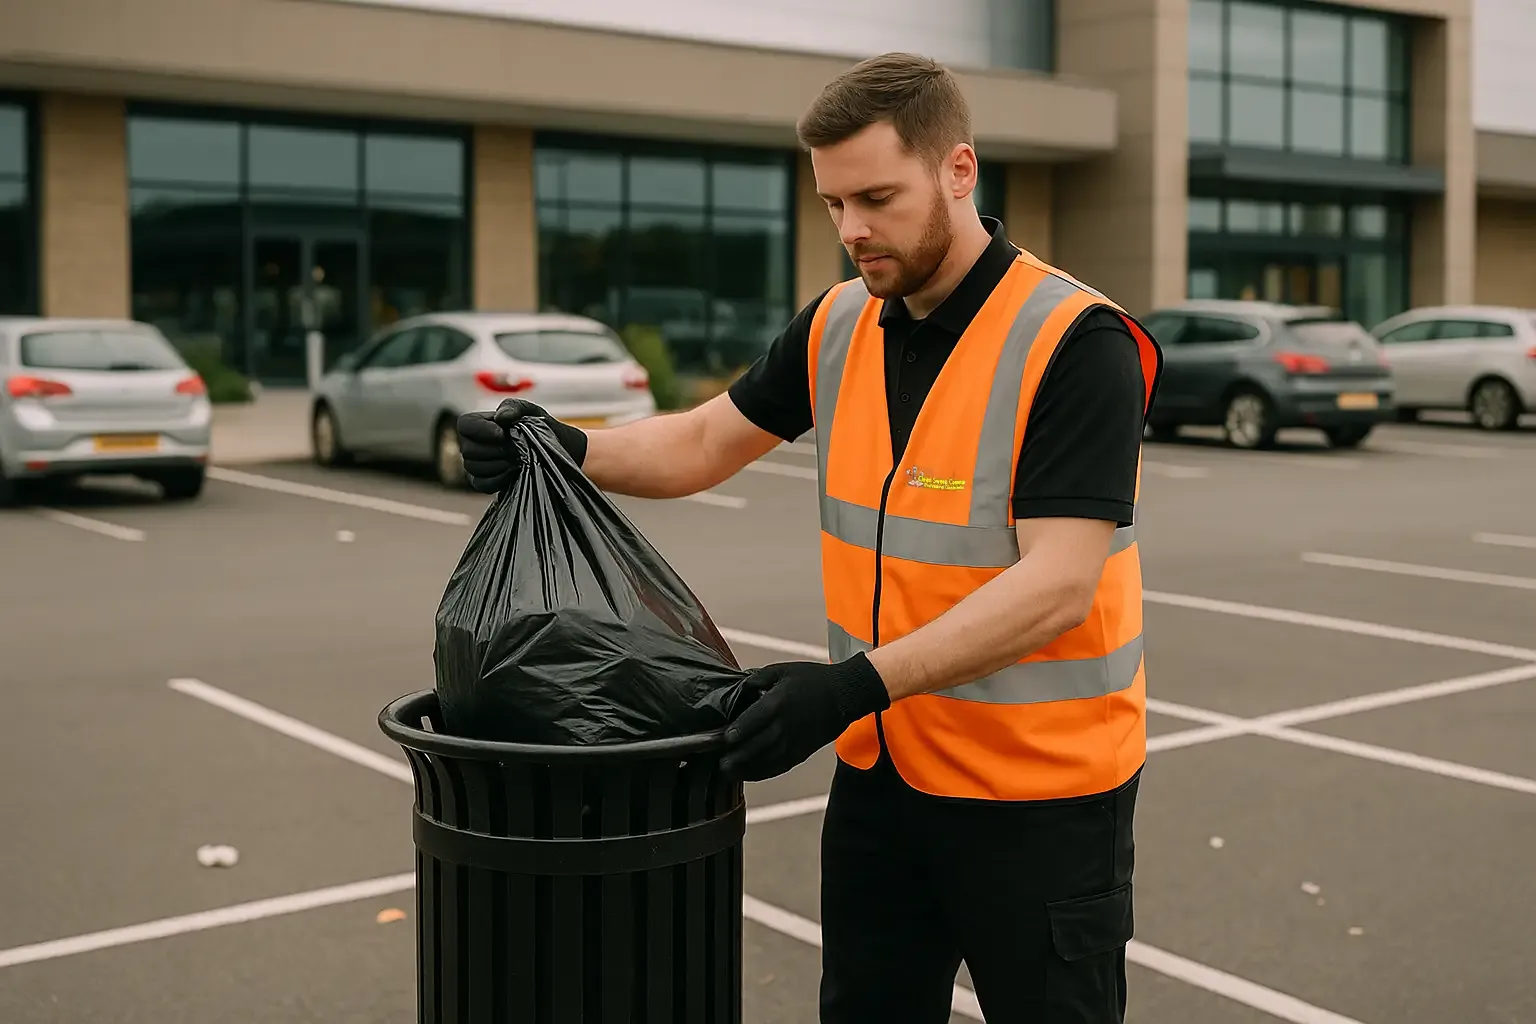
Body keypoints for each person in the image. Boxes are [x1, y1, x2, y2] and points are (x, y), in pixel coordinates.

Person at [458, 51, 1162, 1024]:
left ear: (959, 171)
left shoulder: (1075, 340)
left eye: (877, 196)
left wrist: (846, 687)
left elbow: (1057, 584)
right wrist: (564, 446)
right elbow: (705, 440)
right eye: (834, 204)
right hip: (884, 783)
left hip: (1040, 801)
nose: (854, 231)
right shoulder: (841, 322)